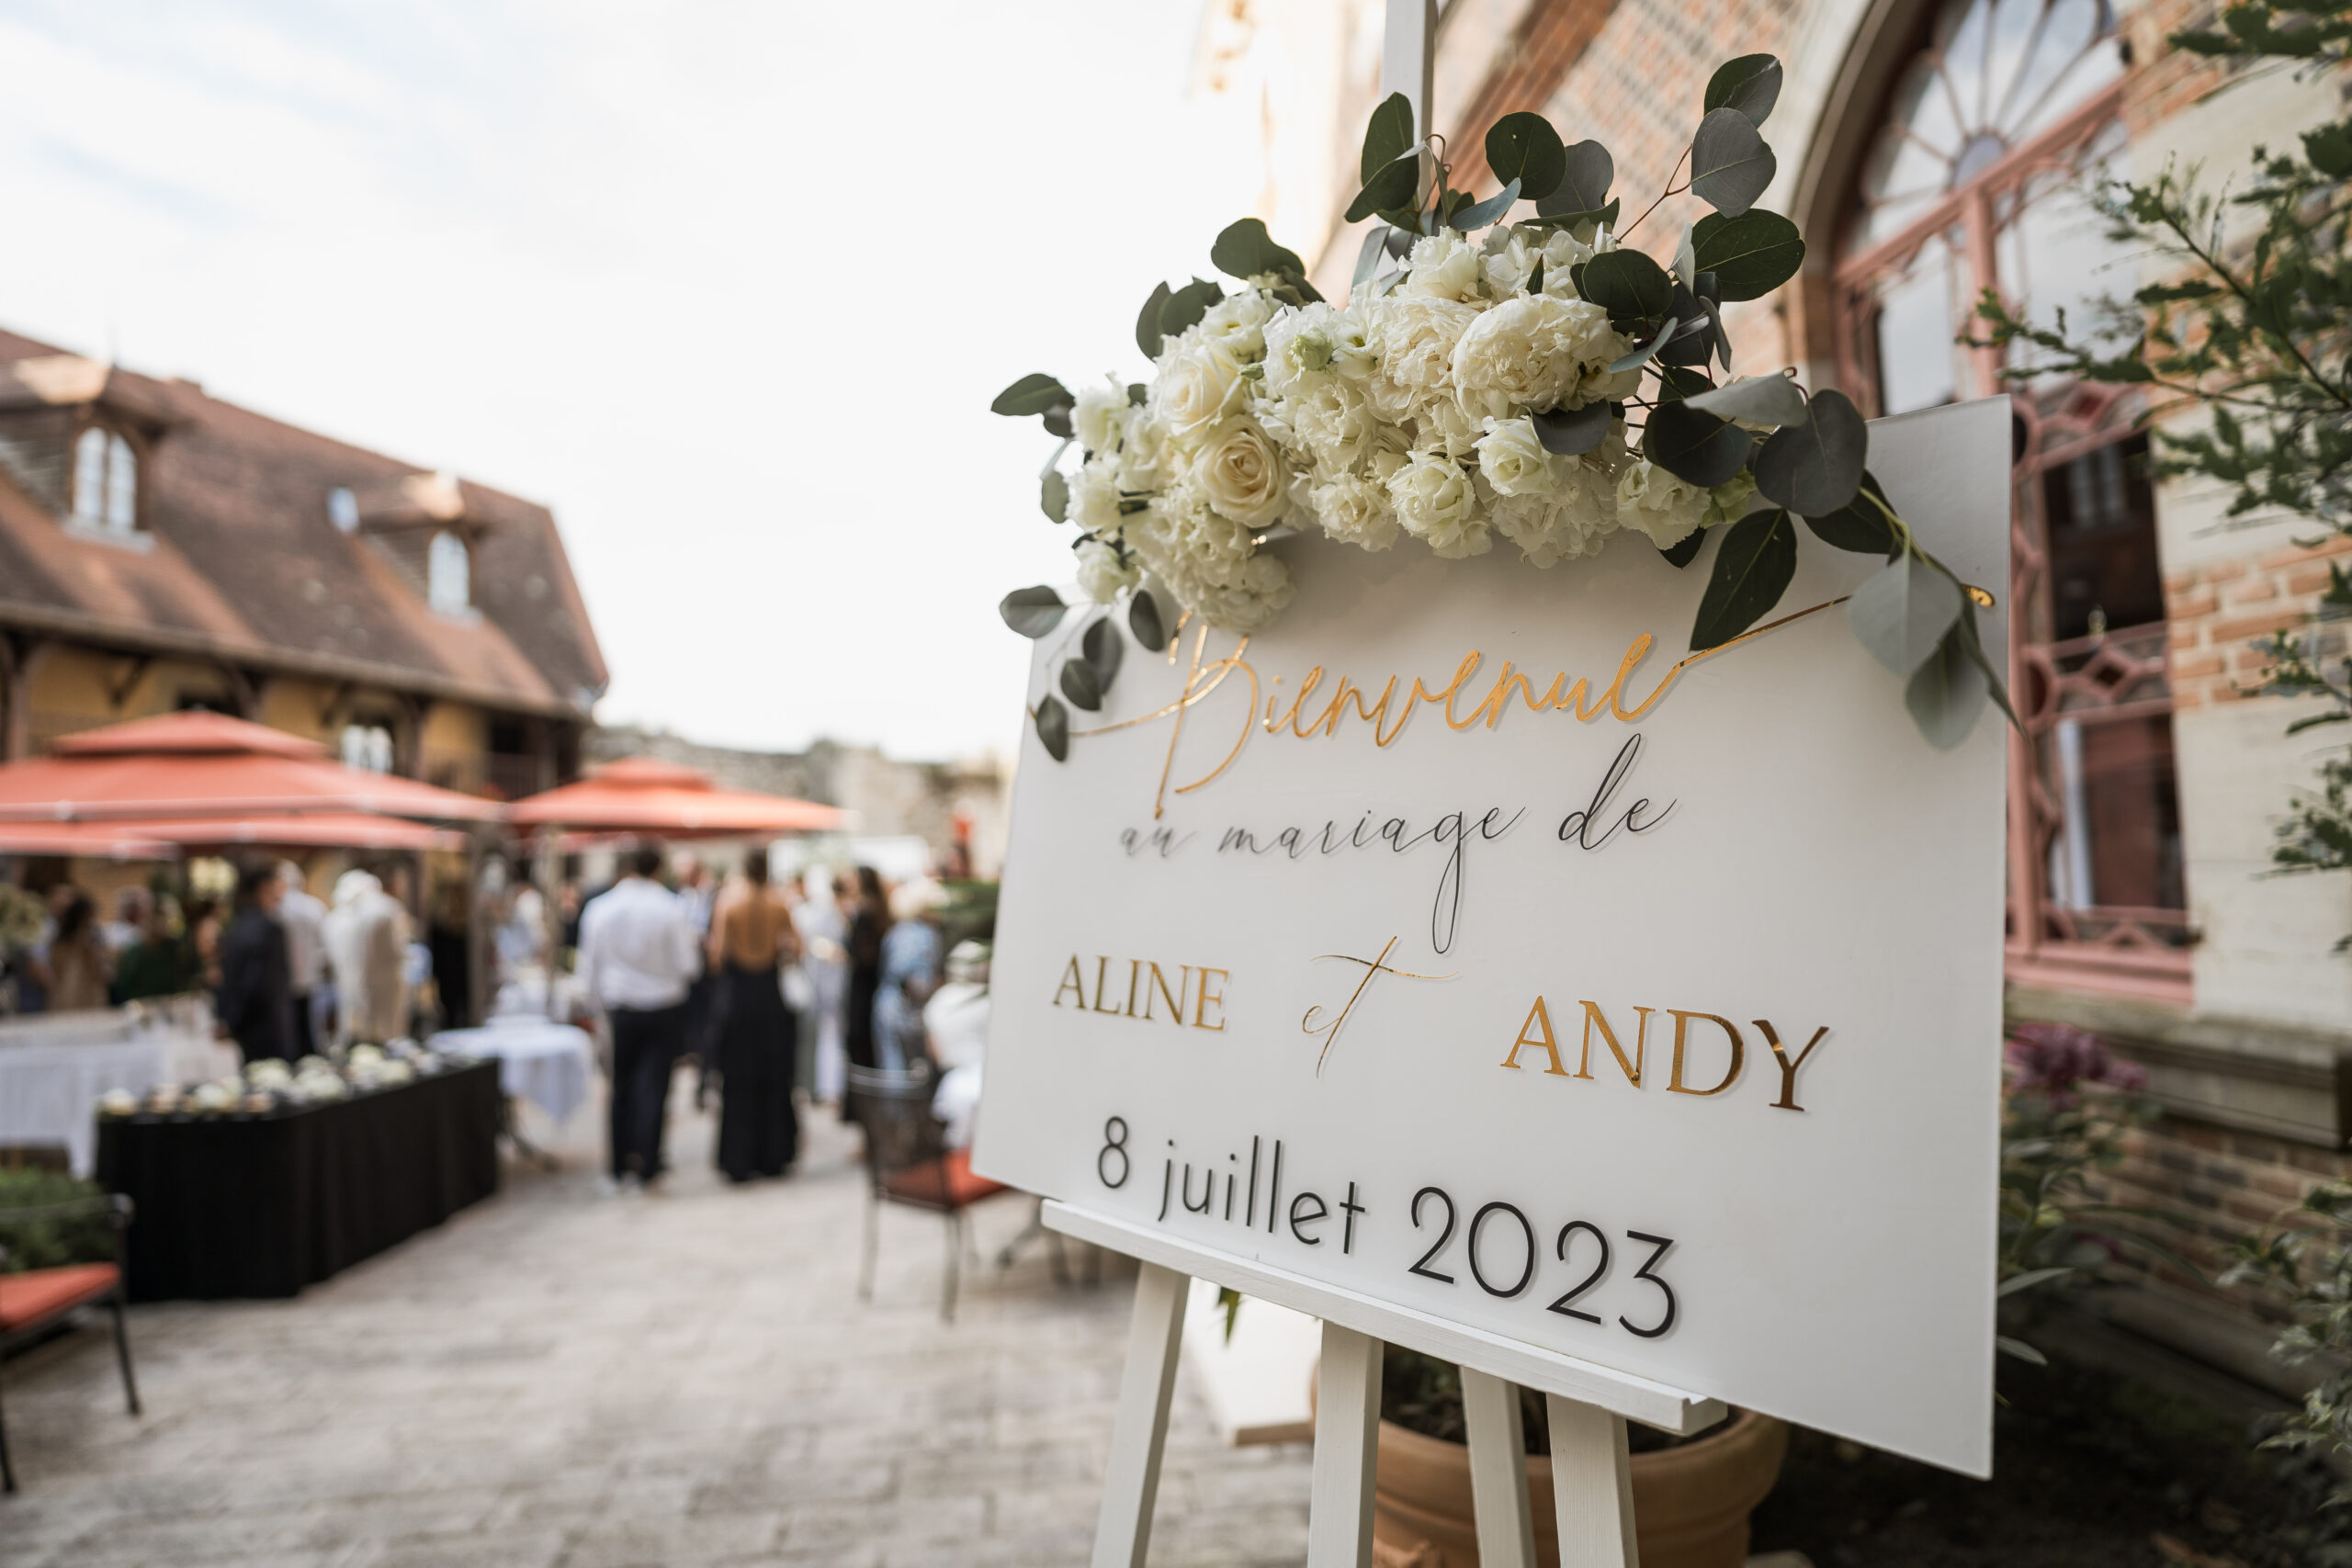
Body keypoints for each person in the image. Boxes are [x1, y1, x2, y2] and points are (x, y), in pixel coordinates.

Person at [577, 842, 701, 1191]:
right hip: (662, 1007)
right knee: (655, 1086)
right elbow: (688, 965)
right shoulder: (671, 908)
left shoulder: (602, 908)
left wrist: (594, 1005)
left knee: (621, 1087)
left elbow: (589, 967)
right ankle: (647, 1162)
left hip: (621, 1009)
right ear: (658, 869)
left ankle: (618, 1166)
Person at [707, 849, 803, 1182]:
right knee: (774, 1078)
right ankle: (774, 1154)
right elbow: (797, 947)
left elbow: (717, 956)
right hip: (770, 998)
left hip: (739, 1000)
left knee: (738, 1081)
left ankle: (739, 1158)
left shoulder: (729, 902)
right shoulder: (780, 902)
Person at [216, 862, 293, 1062]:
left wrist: (230, 1020)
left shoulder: (238, 925)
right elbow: (258, 985)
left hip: (247, 1030)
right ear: (264, 887)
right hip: (267, 1030)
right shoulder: (267, 929)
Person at [325, 868, 412, 1045]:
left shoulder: (338, 917)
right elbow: (396, 950)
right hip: (385, 981)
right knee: (387, 1031)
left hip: (354, 982)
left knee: (361, 1028)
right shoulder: (386, 909)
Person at [873, 878, 944, 1071]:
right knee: (911, 1075)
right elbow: (915, 980)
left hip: (888, 1005)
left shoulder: (897, 931)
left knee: (892, 1067)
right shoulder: (924, 935)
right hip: (907, 1010)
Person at [925, 941, 990, 1149]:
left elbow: (934, 1051)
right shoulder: (988, 1001)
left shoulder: (938, 1001)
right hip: (984, 1088)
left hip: (951, 1088)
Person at [277, 862, 328, 1056]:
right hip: (311, 980)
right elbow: (324, 948)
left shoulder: (277, 910)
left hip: (285, 985)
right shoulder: (314, 907)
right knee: (312, 1034)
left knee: (290, 1037)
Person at [842, 866, 887, 1074]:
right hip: (871, 985)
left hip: (863, 986)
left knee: (860, 1041)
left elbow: (864, 955)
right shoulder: (877, 910)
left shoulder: (866, 912)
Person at [114, 895, 194, 1002]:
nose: (161, 924)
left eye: (164, 919)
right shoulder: (135, 952)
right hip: (141, 1005)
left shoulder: (174, 949)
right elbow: (124, 984)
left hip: (170, 1003)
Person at [44, 891, 111, 1011]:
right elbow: (57, 965)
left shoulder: (92, 937)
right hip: (69, 991)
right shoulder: (64, 941)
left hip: (87, 992)